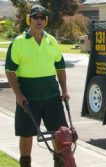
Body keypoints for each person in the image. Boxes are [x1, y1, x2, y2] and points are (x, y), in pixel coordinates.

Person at [5, 5, 69, 167]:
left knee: (60, 134)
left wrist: (65, 90)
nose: (39, 20)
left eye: (42, 17)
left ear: (45, 20)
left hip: (52, 98)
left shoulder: (51, 41)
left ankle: (59, 164)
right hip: (28, 99)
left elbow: (60, 67)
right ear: (29, 19)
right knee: (26, 135)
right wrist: (19, 95)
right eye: (35, 17)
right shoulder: (18, 42)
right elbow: (10, 71)